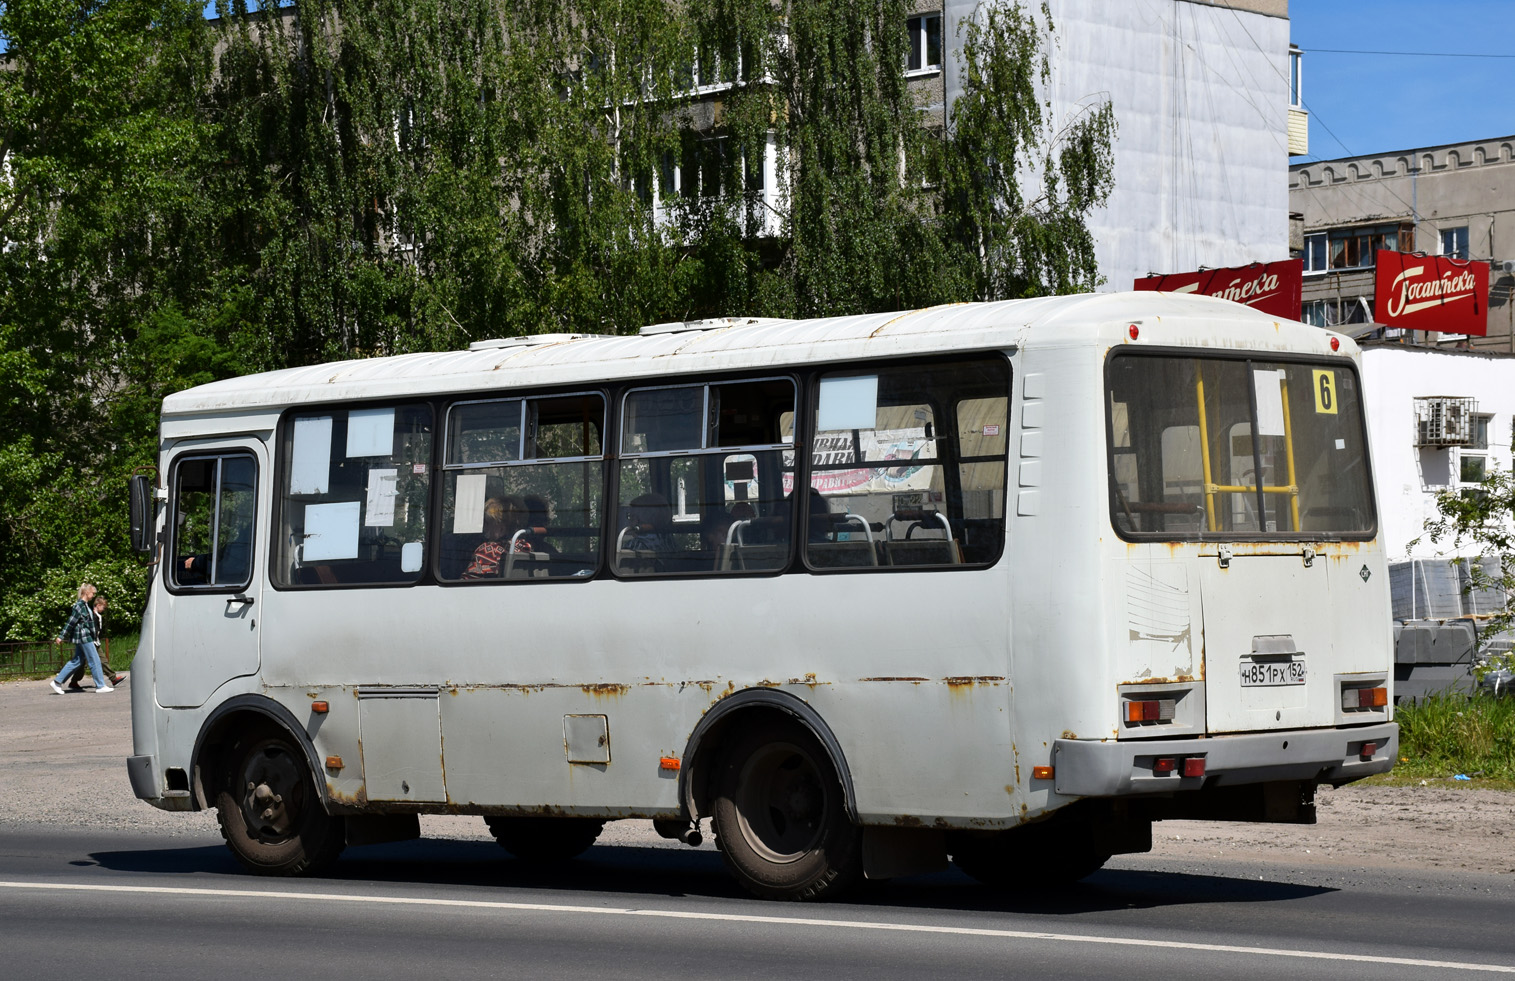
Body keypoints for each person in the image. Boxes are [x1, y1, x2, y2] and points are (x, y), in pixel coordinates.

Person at [50, 583, 112, 694]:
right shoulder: (79, 606)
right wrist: (61, 636)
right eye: (92, 593)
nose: (93, 596)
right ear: (86, 592)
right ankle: (100, 685)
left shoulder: (85, 605)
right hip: (84, 637)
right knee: (95, 659)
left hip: (84, 637)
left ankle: (57, 682)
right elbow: (71, 622)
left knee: (77, 661)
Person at [461, 497, 533, 579]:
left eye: (487, 523)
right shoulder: (526, 547)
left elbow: (466, 583)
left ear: (501, 529)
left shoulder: (488, 551)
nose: (484, 527)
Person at [68, 595, 124, 689]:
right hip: (89, 643)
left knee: (103, 661)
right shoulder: (92, 616)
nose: (104, 609)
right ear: (98, 605)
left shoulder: (98, 616)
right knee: (83, 664)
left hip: (95, 643)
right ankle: (73, 682)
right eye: (103, 607)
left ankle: (113, 679)